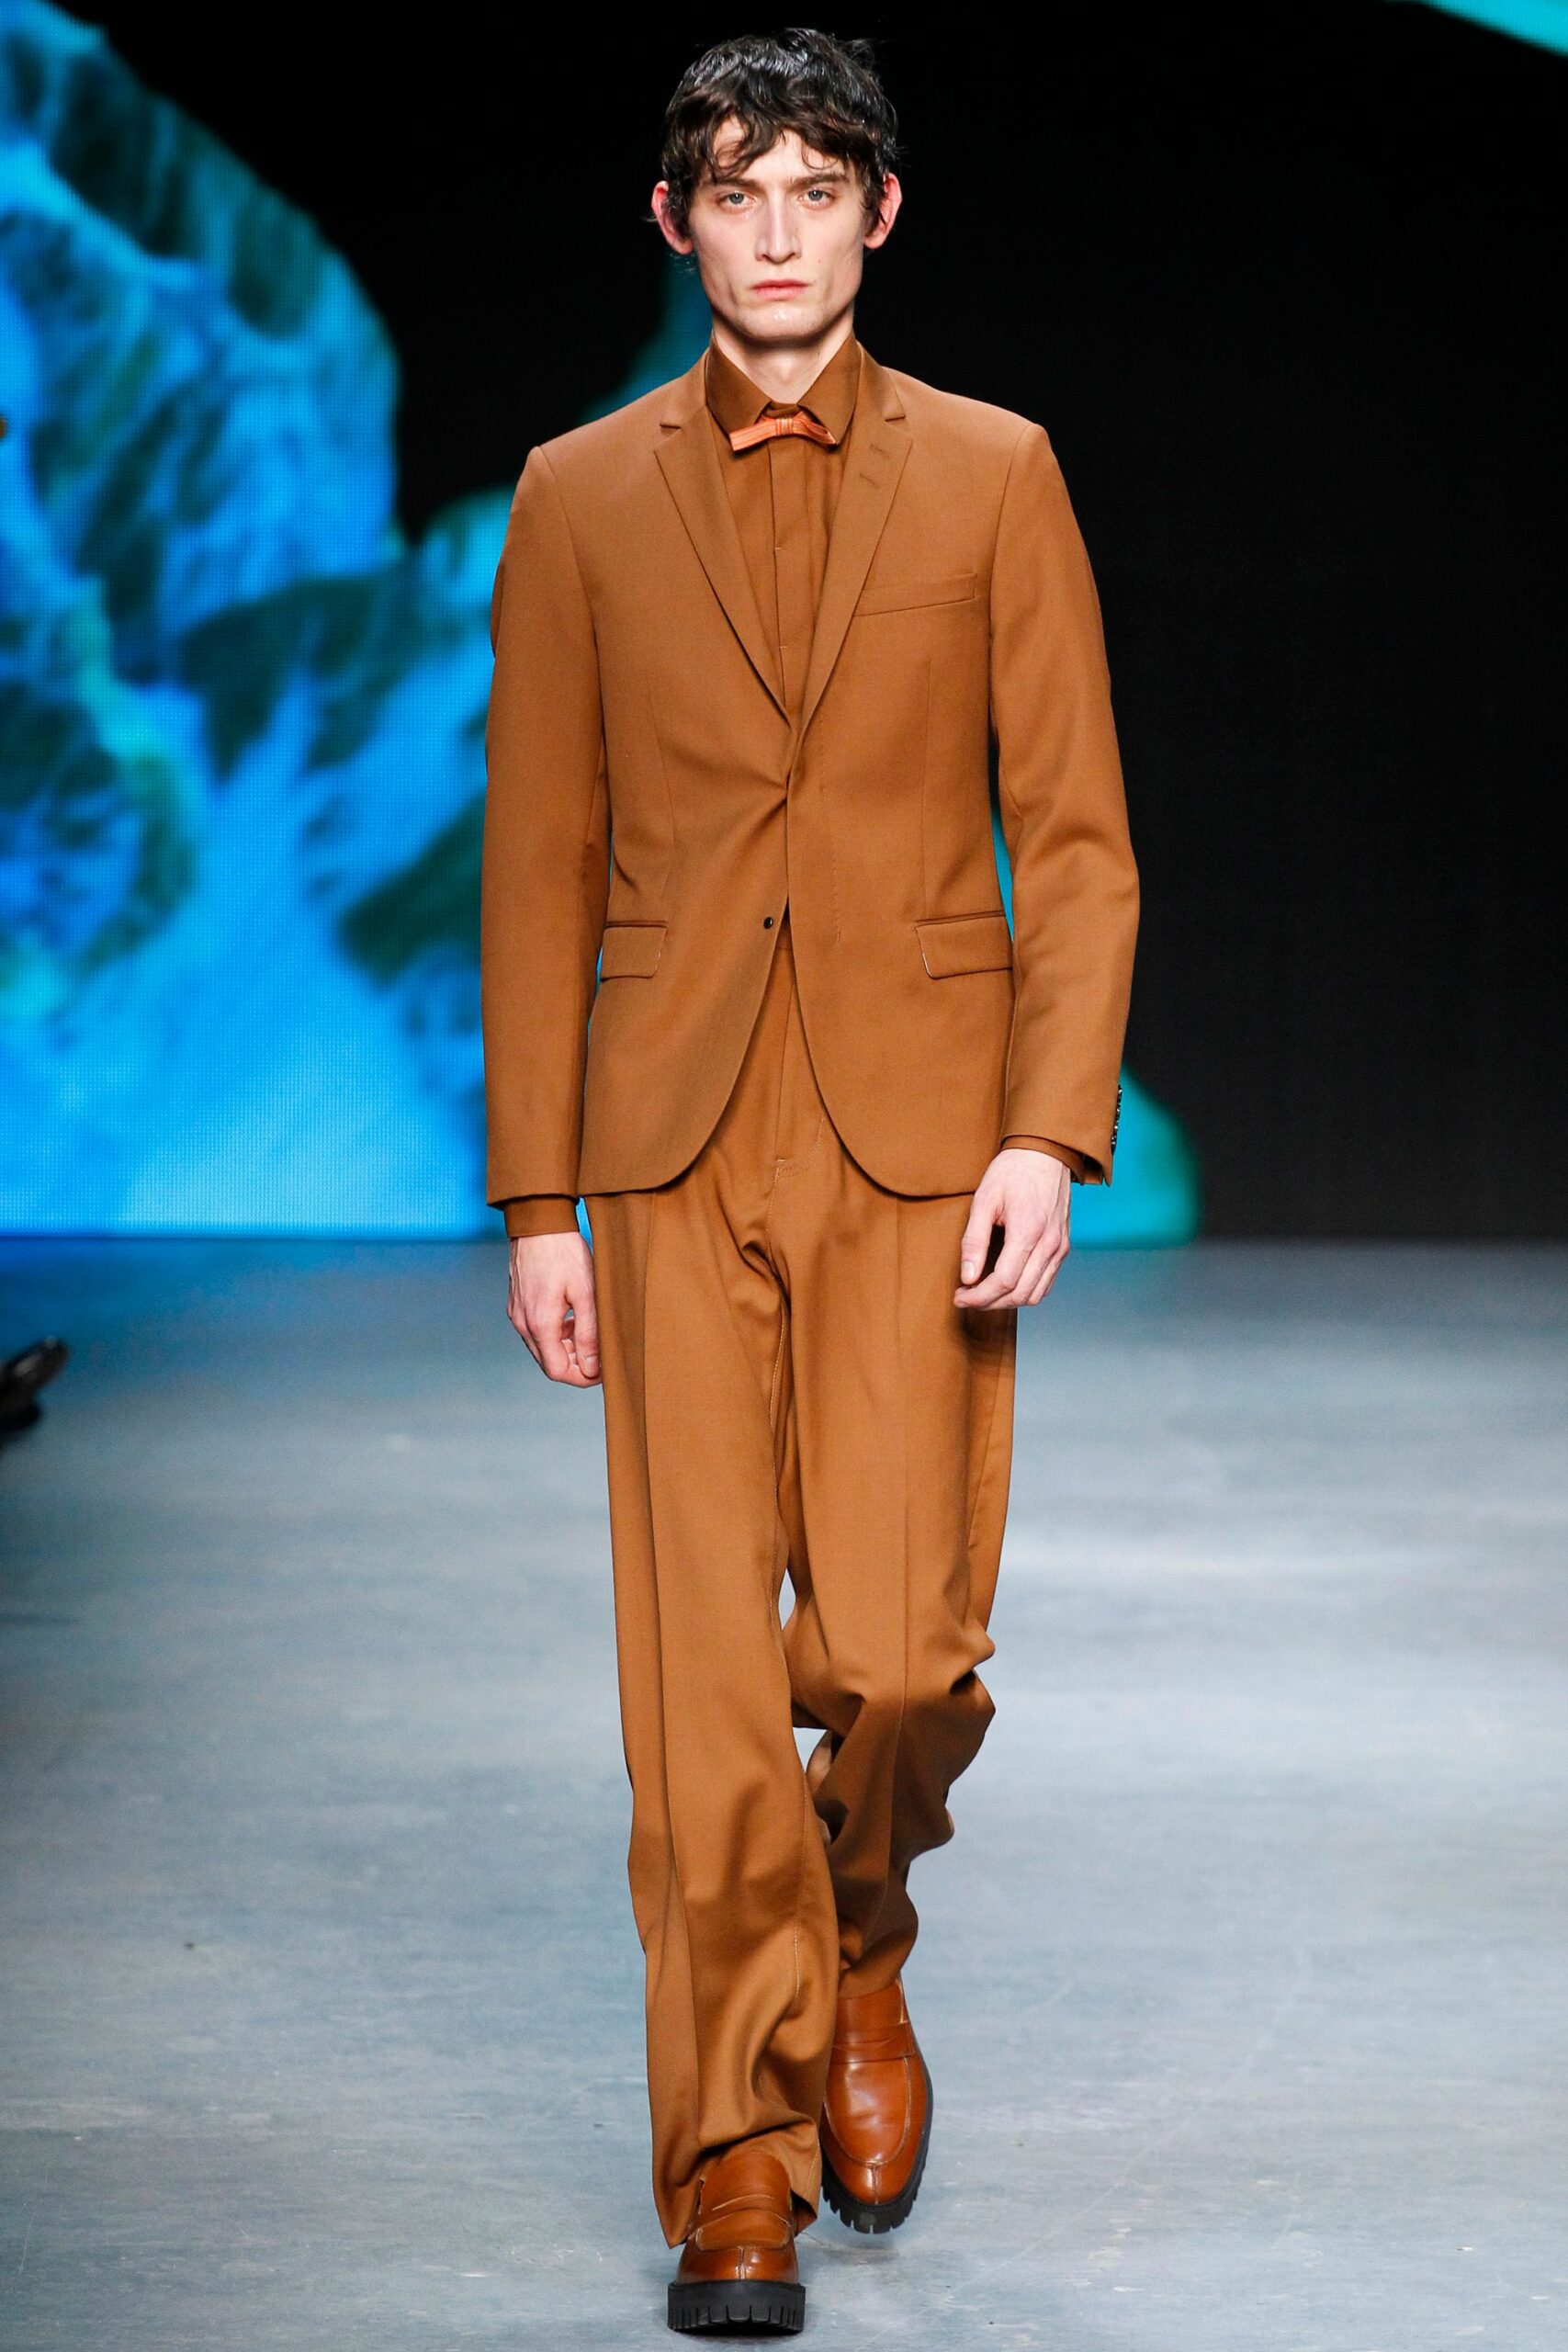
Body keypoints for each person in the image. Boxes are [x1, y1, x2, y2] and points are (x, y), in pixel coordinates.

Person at [479, 29, 1138, 2335]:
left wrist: (1047, 1126)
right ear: (675, 222)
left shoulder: (995, 472)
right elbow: (537, 852)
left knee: (894, 1650)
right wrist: (536, 1199)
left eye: (815, 188)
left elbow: (1074, 836)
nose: (776, 231)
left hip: (918, 1129)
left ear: (880, 212)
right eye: (736, 191)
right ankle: (733, 2158)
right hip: (665, 1137)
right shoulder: (575, 493)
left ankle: (860, 1933)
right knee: (696, 1691)